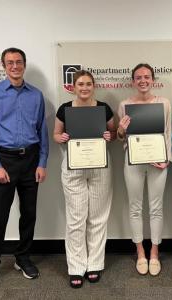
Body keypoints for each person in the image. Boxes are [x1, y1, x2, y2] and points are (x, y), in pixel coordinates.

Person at [0, 47, 49, 290]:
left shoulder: (36, 95)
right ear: (3, 65)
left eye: (19, 62)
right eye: (10, 62)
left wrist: (42, 162)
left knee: (29, 213)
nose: (15, 66)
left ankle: (23, 258)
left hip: (30, 161)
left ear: (24, 64)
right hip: (5, 162)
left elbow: (42, 131)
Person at [53, 70, 116, 288]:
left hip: (99, 166)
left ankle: (95, 264)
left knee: (98, 217)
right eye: (80, 84)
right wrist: (60, 137)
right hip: (73, 167)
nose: (85, 87)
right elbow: (56, 134)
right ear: (73, 87)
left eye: (89, 84)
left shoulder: (104, 108)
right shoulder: (65, 109)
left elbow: (113, 133)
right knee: (76, 219)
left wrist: (110, 135)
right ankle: (76, 267)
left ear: (93, 86)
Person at [117, 63, 172, 277]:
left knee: (156, 208)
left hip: (159, 163)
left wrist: (167, 158)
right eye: (138, 77)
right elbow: (121, 137)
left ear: (153, 79)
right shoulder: (124, 105)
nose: (143, 80)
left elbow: (167, 133)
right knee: (135, 207)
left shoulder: (164, 103)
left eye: (147, 76)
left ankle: (154, 253)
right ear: (133, 81)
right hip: (133, 162)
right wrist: (121, 129)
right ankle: (140, 253)